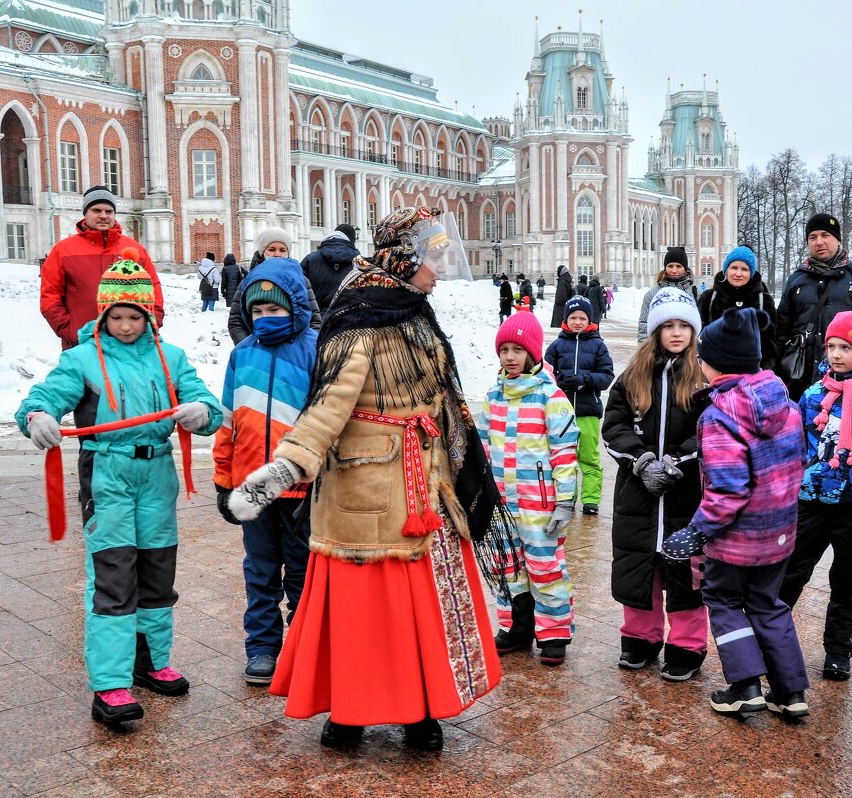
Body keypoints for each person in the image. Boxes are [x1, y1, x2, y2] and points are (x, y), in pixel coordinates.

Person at [227, 207, 504, 752]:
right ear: (404, 258)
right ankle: (350, 712)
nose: (441, 268)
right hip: (368, 488)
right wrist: (284, 468)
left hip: (425, 484)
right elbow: (328, 408)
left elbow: (441, 399)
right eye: (433, 257)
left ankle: (421, 709)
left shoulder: (413, 310)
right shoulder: (359, 319)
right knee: (361, 615)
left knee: (420, 609)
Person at [16, 255, 223, 726]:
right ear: (102, 316)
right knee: (112, 578)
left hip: (157, 477)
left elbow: (207, 402)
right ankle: (109, 684)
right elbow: (45, 397)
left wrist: (201, 413)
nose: (126, 326)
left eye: (135, 316)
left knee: (156, 572)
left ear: (149, 315)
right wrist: (37, 416)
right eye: (117, 317)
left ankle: (150, 663)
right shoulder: (81, 357)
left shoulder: (171, 357)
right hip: (107, 475)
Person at [661, 307, 809, 722]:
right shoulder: (786, 402)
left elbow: (728, 490)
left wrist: (696, 531)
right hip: (780, 533)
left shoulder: (720, 416)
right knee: (767, 603)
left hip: (735, 539)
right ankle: (791, 692)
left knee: (723, 600)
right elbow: (801, 459)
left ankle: (745, 686)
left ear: (714, 364)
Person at [213, 257, 317, 687]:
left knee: (301, 570)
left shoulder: (316, 348)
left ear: (294, 306)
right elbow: (227, 419)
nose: (265, 318)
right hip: (252, 484)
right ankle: (261, 648)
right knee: (259, 568)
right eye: (257, 311)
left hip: (298, 483)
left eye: (274, 309)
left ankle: (301, 646)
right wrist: (223, 480)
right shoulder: (243, 353)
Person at [778, 311, 852, 681]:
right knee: (790, 573)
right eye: (831, 346)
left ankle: (838, 650)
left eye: (845, 347)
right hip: (811, 501)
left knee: (848, 581)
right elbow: (796, 446)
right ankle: (772, 638)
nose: (836, 354)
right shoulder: (814, 395)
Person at [603, 287, 709, 680]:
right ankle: (640, 638)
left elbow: (711, 430)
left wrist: (678, 460)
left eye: (684, 325)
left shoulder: (703, 375)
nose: (677, 332)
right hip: (638, 495)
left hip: (686, 494)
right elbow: (613, 425)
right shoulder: (634, 375)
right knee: (639, 566)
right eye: (668, 325)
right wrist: (642, 461)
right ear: (656, 331)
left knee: (685, 572)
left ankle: (686, 644)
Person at [482, 310, 580, 665]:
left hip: (539, 503)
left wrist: (565, 501)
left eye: (517, 350)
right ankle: (516, 627)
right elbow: (482, 447)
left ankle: (553, 633)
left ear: (533, 354)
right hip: (503, 506)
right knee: (508, 566)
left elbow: (565, 451)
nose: (510, 357)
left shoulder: (550, 397)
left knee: (544, 567)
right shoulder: (493, 396)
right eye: (504, 350)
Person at [775, 213, 852, 401]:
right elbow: (782, 330)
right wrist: (777, 372)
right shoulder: (796, 280)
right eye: (813, 237)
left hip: (851, 380)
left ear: (837, 239)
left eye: (825, 235)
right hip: (800, 378)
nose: (819, 242)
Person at [40, 185, 165, 349]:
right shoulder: (63, 250)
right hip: (82, 344)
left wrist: (148, 325)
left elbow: (153, 290)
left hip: (130, 343)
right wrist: (71, 331)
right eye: (96, 210)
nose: (103, 216)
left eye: (109, 211)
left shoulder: (134, 249)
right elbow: (50, 297)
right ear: (85, 213)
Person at [545, 296, 614, 516]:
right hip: (561, 413)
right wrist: (558, 378)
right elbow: (544, 374)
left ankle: (591, 499)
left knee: (589, 457)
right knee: (565, 457)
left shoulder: (597, 345)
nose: (577, 322)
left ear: (589, 320)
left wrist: (586, 380)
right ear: (566, 319)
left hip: (587, 412)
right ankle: (568, 497)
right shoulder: (557, 345)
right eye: (573, 317)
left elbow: (606, 375)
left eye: (582, 318)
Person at [228, 228, 322, 343]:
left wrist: (305, 348)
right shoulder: (249, 281)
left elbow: (314, 320)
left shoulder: (301, 280)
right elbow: (236, 321)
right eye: (272, 249)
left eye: (282, 250)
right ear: (263, 252)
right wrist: (249, 348)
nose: (277, 254)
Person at [697, 246, 777, 368]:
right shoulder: (709, 298)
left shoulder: (764, 300)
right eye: (734, 268)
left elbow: (770, 341)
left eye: (744, 269)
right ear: (726, 270)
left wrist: (765, 368)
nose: (738, 274)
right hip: (715, 371)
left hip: (752, 373)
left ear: (751, 273)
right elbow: (699, 335)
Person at [638, 247, 697, 341]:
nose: (674, 270)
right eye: (670, 266)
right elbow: (644, 324)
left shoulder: (696, 294)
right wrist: (647, 352)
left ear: (685, 269)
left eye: (678, 266)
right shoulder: (652, 295)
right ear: (665, 268)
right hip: (659, 351)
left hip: (689, 350)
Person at [300, 223, 360, 314]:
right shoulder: (359, 261)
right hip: (349, 320)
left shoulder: (310, 260)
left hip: (317, 321)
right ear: (352, 240)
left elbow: (300, 292)